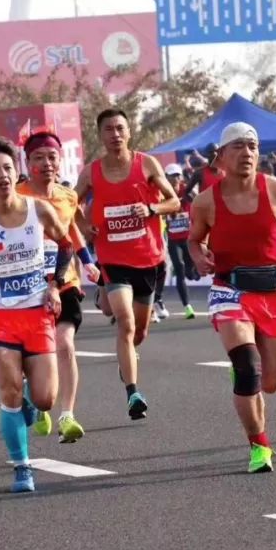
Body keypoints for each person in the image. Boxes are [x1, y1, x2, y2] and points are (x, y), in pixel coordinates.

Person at [188, 122, 276, 473]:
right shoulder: (206, 202)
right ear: (221, 156)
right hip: (230, 289)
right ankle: (259, 446)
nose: (247, 153)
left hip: (273, 291)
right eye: (238, 146)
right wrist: (199, 256)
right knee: (248, 369)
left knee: (271, 382)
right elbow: (194, 240)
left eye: (252, 146)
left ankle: (245, 376)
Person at [0, 139, 71, 492]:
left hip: (38, 314)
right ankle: (22, 467)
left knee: (45, 399)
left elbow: (66, 245)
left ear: (16, 172)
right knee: (9, 392)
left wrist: (55, 285)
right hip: (0, 317)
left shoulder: (40, 210)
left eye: (7, 168)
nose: (3, 175)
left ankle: (31, 403)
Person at [75, 109, 181, 420]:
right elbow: (70, 203)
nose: (115, 134)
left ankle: (126, 357)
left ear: (129, 132)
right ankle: (133, 392)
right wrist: (84, 225)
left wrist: (151, 208)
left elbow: (174, 201)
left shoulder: (146, 164)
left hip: (147, 259)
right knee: (125, 322)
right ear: (100, 135)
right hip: (113, 259)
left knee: (140, 332)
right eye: (108, 129)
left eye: (120, 128)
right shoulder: (91, 173)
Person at [18, 131, 100, 443]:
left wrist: (88, 261)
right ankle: (36, 395)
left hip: (65, 281)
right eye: (38, 158)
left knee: (64, 344)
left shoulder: (68, 196)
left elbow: (72, 230)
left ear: (60, 160)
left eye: (52, 157)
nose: (46, 163)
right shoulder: (17, 196)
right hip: (26, 285)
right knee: (35, 353)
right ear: (28, 162)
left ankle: (67, 414)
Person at [162, 163, 198, 319]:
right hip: (173, 239)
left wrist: (192, 195)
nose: (175, 178)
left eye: (177, 175)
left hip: (188, 239)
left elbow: (198, 200)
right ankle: (187, 306)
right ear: (166, 177)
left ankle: (193, 271)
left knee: (191, 273)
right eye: (172, 175)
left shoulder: (186, 189)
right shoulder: (162, 192)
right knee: (180, 268)